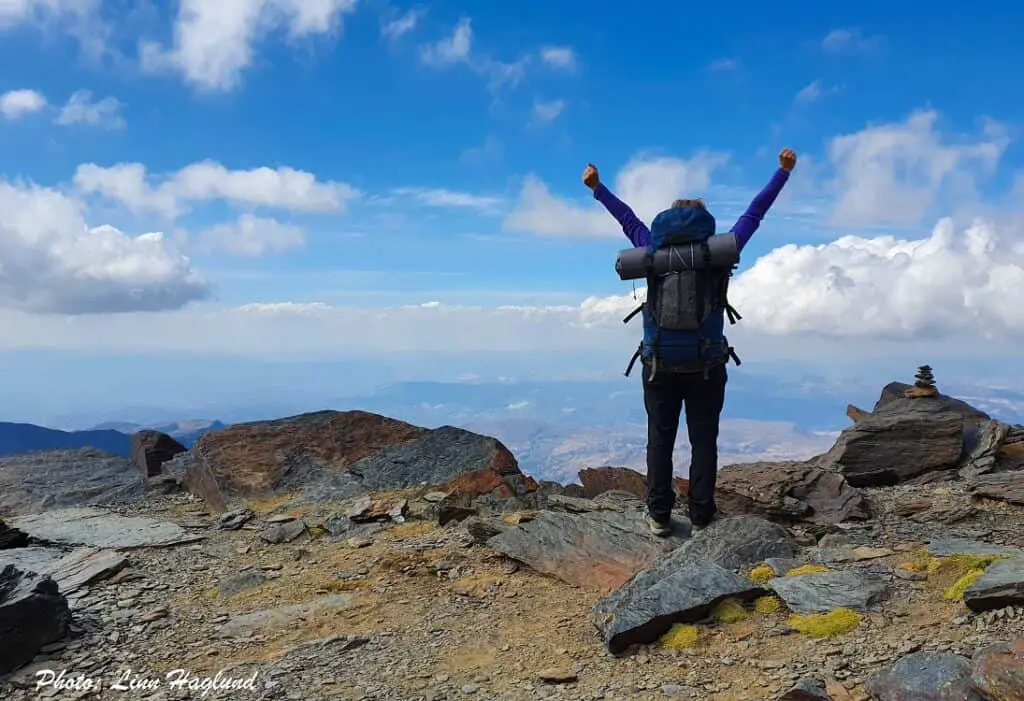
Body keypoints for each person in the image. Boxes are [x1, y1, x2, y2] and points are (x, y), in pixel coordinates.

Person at [582, 148, 797, 535]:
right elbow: (755, 214)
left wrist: (598, 188)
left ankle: (659, 516)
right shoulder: (718, 252)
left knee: (659, 440)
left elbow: (626, 217)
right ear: (703, 223)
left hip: (658, 365)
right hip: (706, 365)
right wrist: (782, 173)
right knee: (703, 441)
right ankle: (700, 518)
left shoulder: (652, 250)